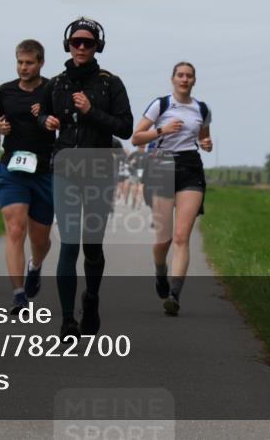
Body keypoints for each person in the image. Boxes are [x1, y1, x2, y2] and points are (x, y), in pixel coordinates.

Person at [39, 17, 132, 339]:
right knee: (68, 245)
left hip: (99, 170)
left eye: (87, 43)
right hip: (65, 168)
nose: (81, 47)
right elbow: (41, 115)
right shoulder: (57, 83)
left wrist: (92, 110)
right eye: (76, 42)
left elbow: (126, 128)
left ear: (97, 47)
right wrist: (46, 121)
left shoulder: (110, 83)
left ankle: (90, 299)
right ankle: (67, 320)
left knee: (91, 246)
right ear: (68, 45)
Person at [131, 62, 213, 316]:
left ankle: (174, 295)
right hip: (162, 166)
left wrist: (206, 143)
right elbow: (136, 138)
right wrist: (162, 130)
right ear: (173, 79)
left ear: (194, 80)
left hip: (190, 167)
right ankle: (160, 271)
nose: (185, 79)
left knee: (181, 236)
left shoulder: (202, 109)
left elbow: (203, 137)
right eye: (181, 75)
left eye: (189, 76)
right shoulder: (161, 105)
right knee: (164, 239)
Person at [0, 40, 56, 315]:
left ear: (41, 62)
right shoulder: (5, 91)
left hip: (44, 171)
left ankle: (36, 266)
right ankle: (18, 295)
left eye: (29, 63)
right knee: (15, 228)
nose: (23, 67)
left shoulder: (52, 90)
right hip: (13, 169)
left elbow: (66, 120)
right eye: (20, 62)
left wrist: (52, 119)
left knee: (40, 239)